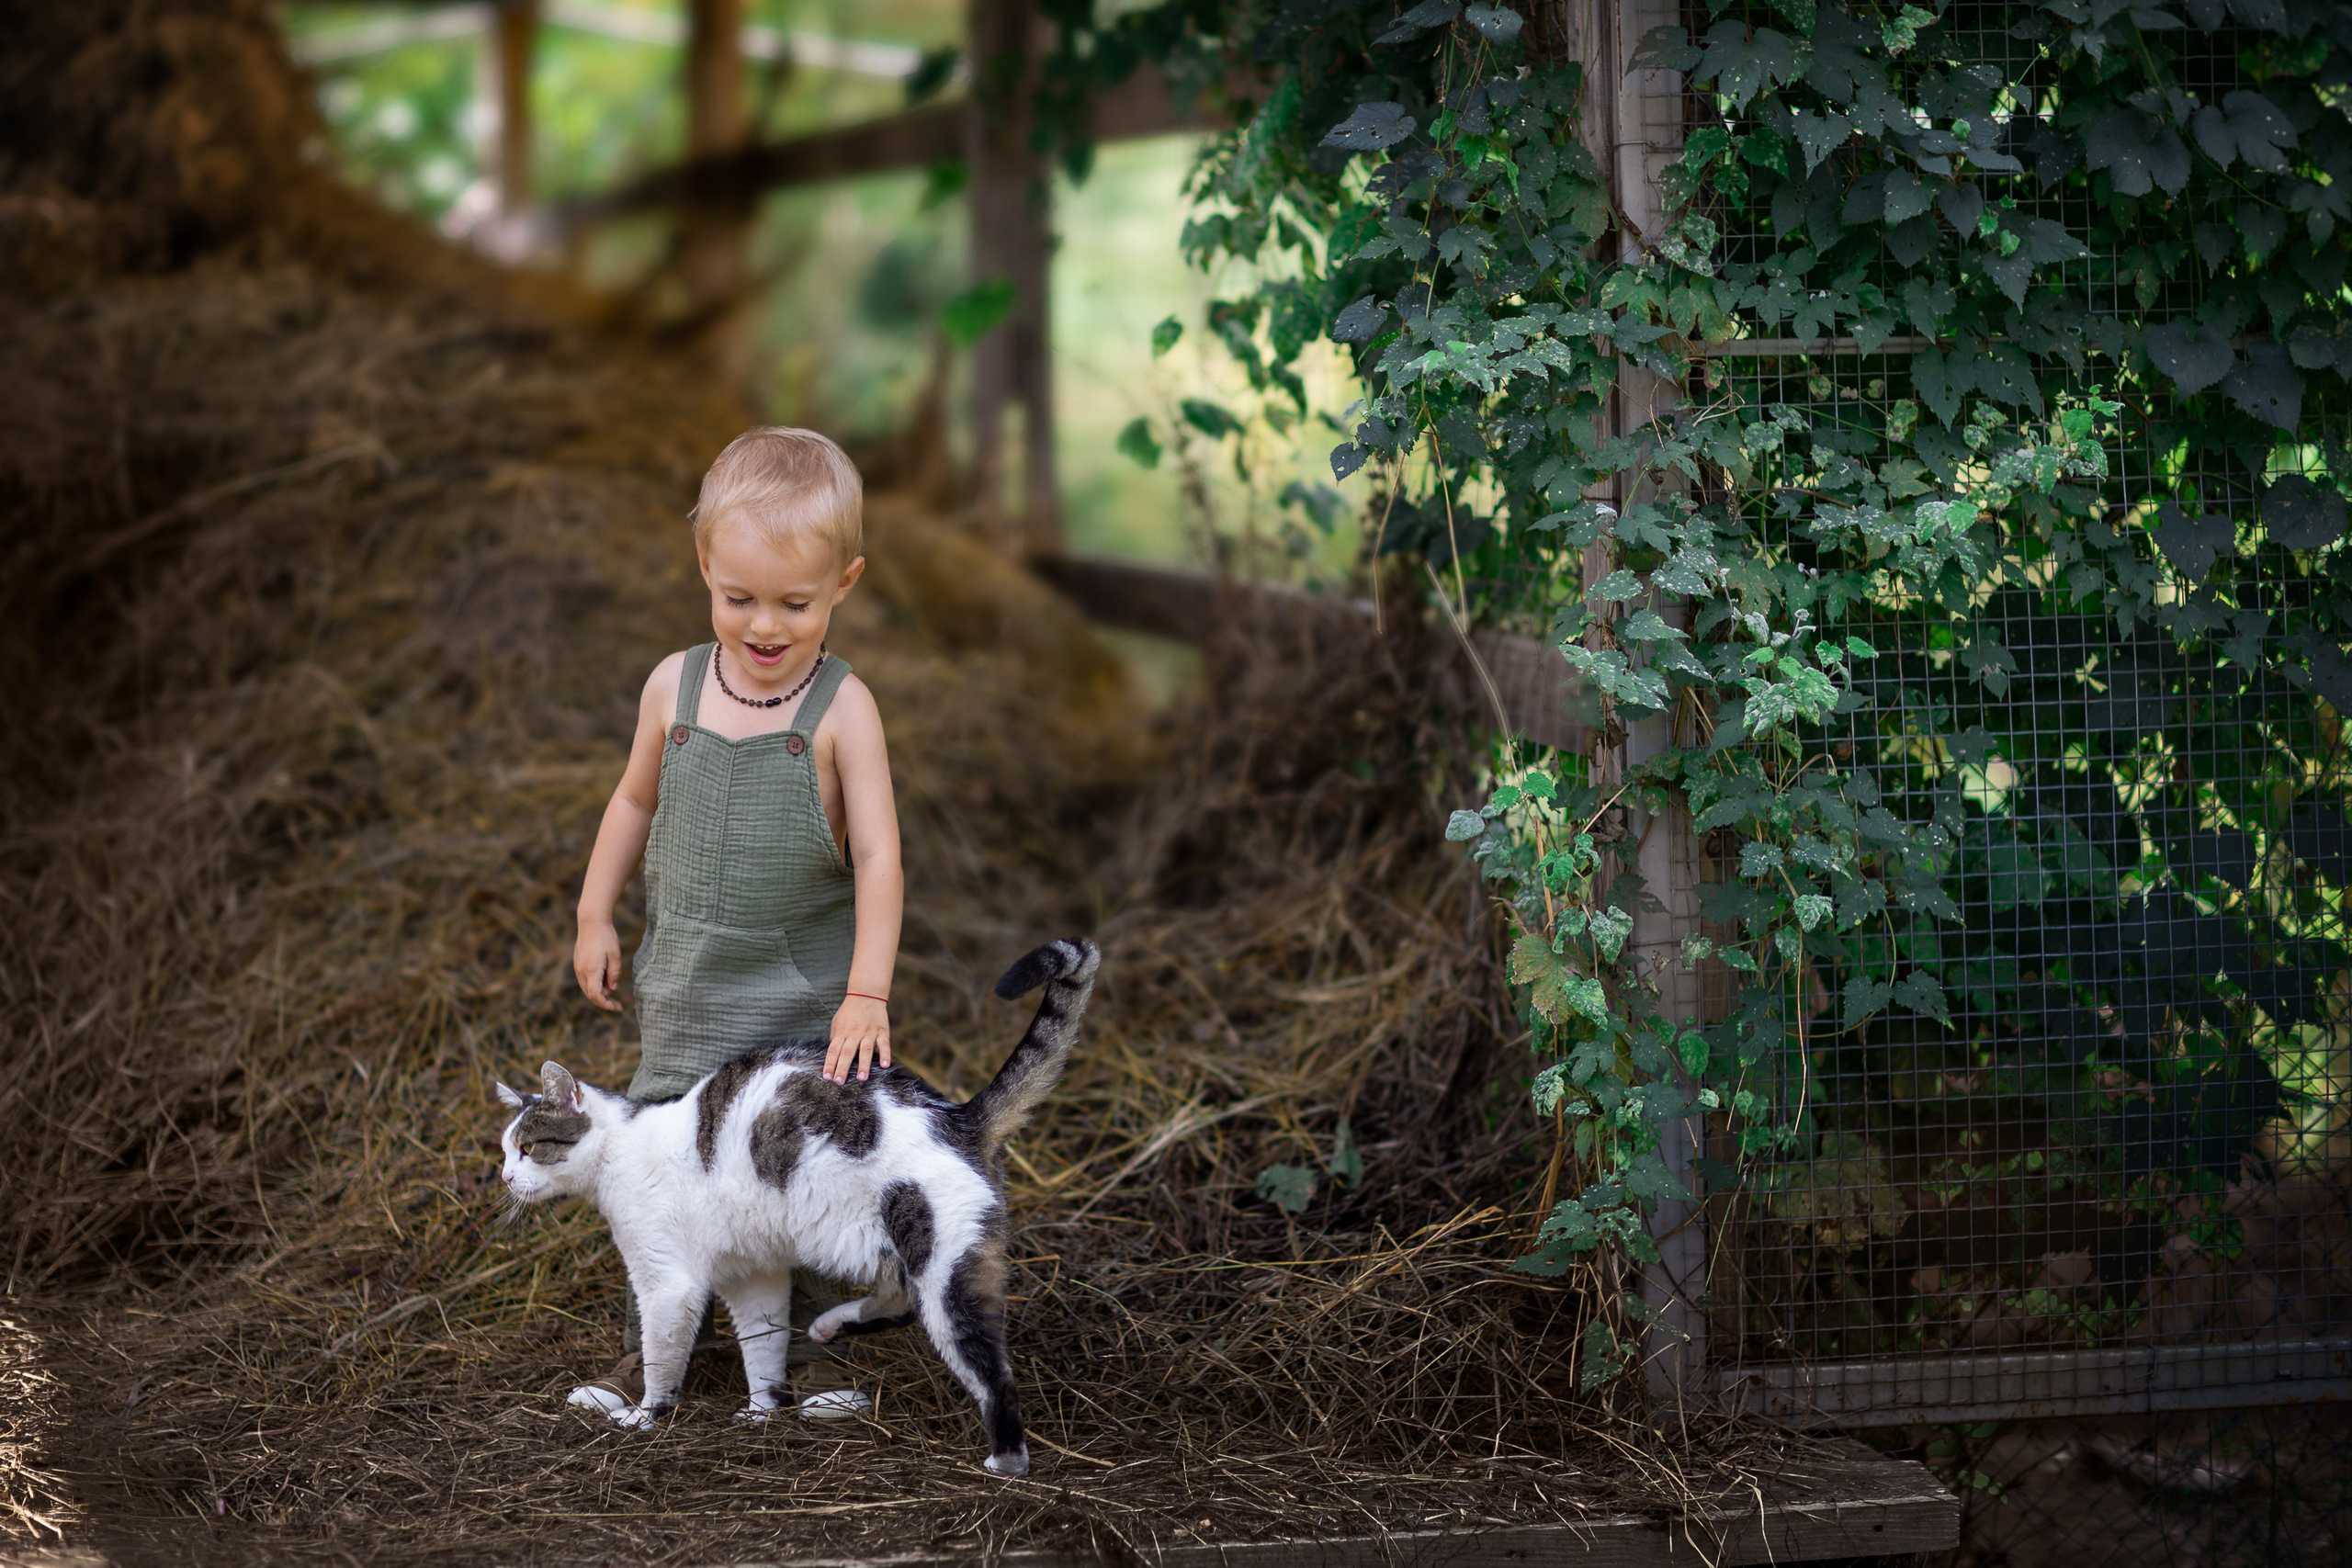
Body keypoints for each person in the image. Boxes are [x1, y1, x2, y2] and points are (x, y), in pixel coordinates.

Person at [566, 426, 901, 1420]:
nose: (763, 626)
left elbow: (881, 858)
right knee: (670, 1171)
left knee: (799, 1170)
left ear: (844, 582)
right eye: (737, 597)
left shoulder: (844, 713)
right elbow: (632, 802)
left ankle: (819, 1347)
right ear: (705, 565)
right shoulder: (672, 687)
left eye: (794, 604)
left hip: (799, 1003)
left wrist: (867, 993)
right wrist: (595, 912)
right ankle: (661, 1348)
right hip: (688, 990)